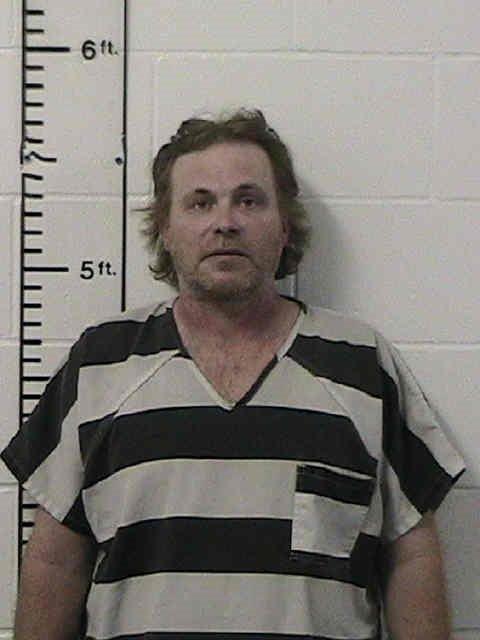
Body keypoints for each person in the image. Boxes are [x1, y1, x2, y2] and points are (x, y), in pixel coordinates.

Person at [1, 108, 466, 640]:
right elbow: (55, 563)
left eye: (249, 200)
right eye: (200, 203)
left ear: (284, 226)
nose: (225, 222)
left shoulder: (362, 363)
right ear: (166, 229)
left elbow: (411, 558)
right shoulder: (100, 364)